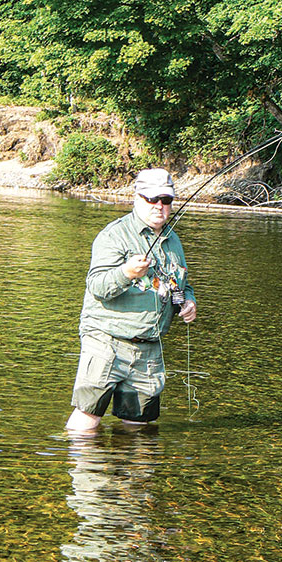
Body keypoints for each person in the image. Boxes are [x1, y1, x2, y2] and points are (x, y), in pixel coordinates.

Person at [66, 168, 197, 432]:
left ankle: (131, 471)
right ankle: (85, 470)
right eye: (152, 199)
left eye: (166, 200)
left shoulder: (173, 240)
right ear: (136, 197)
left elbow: (178, 282)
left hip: (149, 347)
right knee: (88, 417)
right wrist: (125, 273)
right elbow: (97, 286)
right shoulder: (113, 235)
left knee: (139, 425)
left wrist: (187, 301)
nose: (159, 206)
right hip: (107, 341)